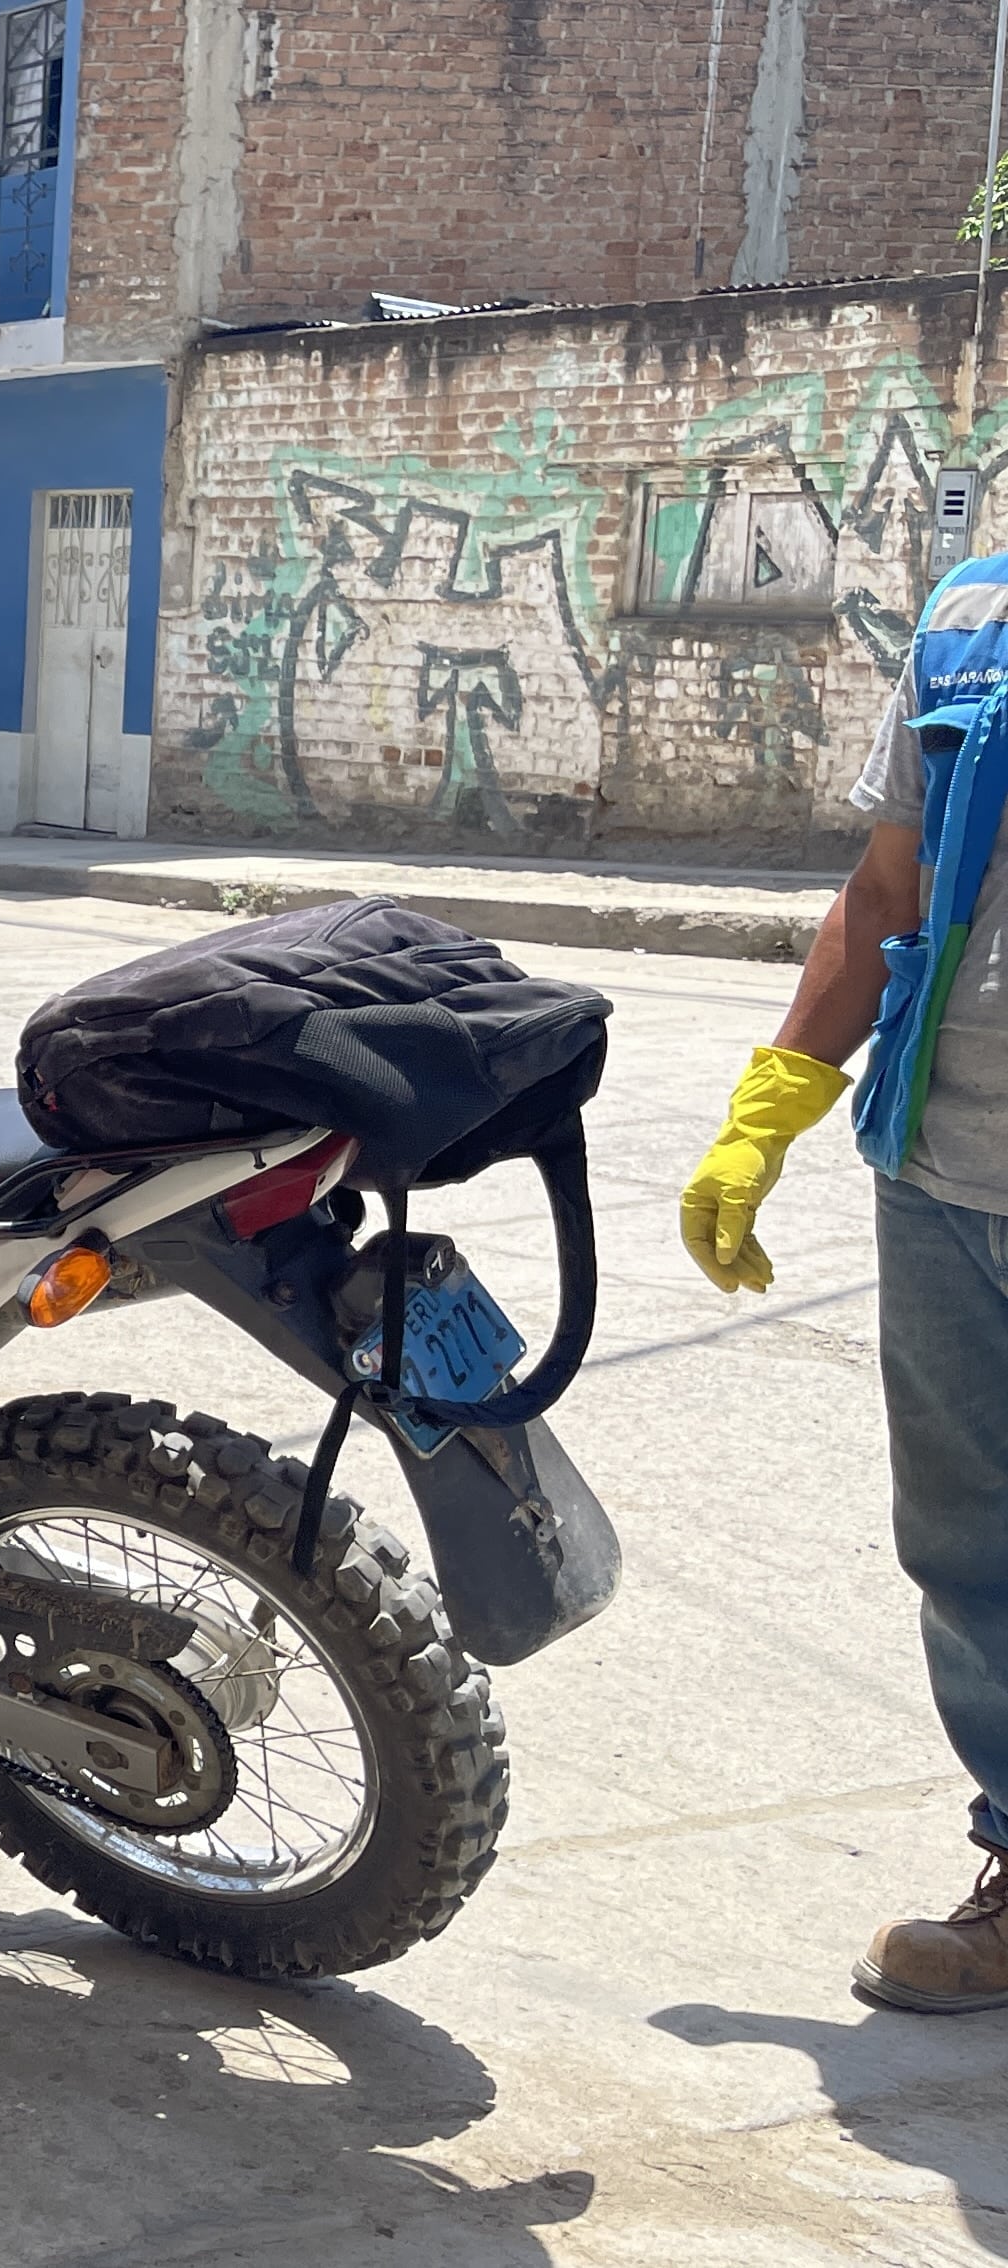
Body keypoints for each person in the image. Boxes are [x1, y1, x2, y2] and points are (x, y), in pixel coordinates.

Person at [680, 546, 1008, 2014]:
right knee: (971, 1549)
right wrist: (773, 1106)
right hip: (942, 1171)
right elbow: (889, 886)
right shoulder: (967, 619)